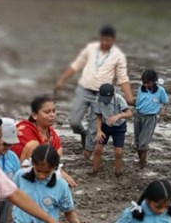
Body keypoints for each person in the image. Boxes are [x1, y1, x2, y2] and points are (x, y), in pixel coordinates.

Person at [54, 24, 134, 157]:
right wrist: (62, 79)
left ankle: (88, 152)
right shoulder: (91, 48)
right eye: (102, 39)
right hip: (84, 89)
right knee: (74, 121)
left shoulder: (118, 56)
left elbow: (123, 78)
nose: (104, 42)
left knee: (94, 125)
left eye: (107, 40)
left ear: (113, 40)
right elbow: (76, 65)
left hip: (101, 95)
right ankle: (82, 133)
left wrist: (129, 97)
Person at [11, 95, 78, 187]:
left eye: (54, 111)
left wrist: (59, 172)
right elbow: (36, 157)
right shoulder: (23, 131)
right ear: (34, 115)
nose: (52, 115)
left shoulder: (51, 133)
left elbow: (55, 156)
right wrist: (59, 173)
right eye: (47, 112)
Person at [91, 83, 133, 176]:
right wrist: (99, 131)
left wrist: (118, 115)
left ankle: (118, 173)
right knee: (98, 149)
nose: (105, 102)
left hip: (119, 127)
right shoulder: (98, 100)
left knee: (118, 152)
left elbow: (129, 113)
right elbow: (98, 116)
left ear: (113, 94)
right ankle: (94, 171)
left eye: (107, 99)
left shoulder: (119, 99)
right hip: (105, 126)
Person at [133, 69, 169, 168]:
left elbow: (165, 101)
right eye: (144, 83)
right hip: (138, 116)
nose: (146, 85)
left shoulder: (160, 91)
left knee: (143, 142)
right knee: (137, 141)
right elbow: (138, 101)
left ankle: (143, 164)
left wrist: (163, 109)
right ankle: (141, 160)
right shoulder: (141, 89)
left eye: (148, 83)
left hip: (150, 118)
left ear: (154, 81)